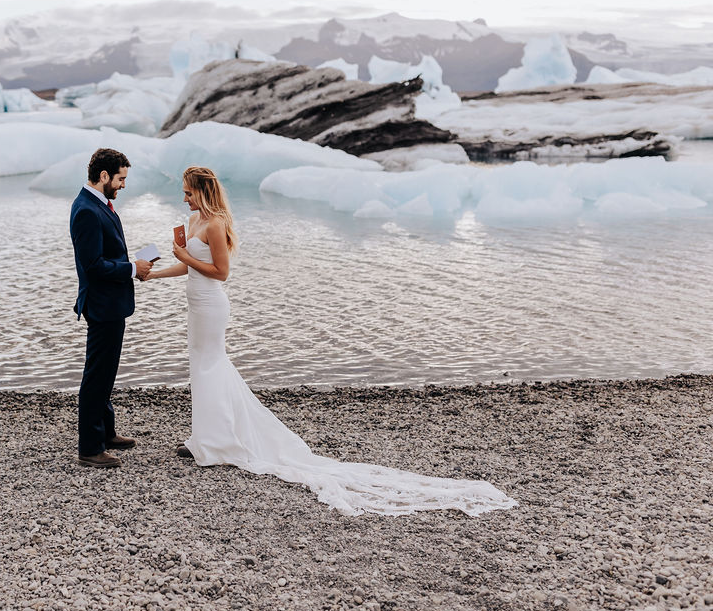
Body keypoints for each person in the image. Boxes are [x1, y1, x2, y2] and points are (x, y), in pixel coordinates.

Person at [144, 166, 517, 516]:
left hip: (211, 303)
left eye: (189, 193)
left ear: (203, 192)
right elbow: (188, 264)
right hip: (195, 304)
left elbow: (220, 273)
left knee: (213, 366)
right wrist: (158, 273)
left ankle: (216, 443)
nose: (185, 200)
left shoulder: (217, 223)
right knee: (202, 367)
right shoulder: (193, 221)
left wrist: (184, 257)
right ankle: (205, 438)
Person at [69, 148, 153, 468]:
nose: (122, 185)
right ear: (103, 176)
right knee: (96, 376)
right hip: (102, 305)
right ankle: (90, 448)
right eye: (120, 179)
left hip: (111, 303)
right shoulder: (87, 210)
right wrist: (133, 268)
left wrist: (134, 266)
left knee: (106, 374)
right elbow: (92, 266)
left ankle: (105, 432)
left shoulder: (98, 204)